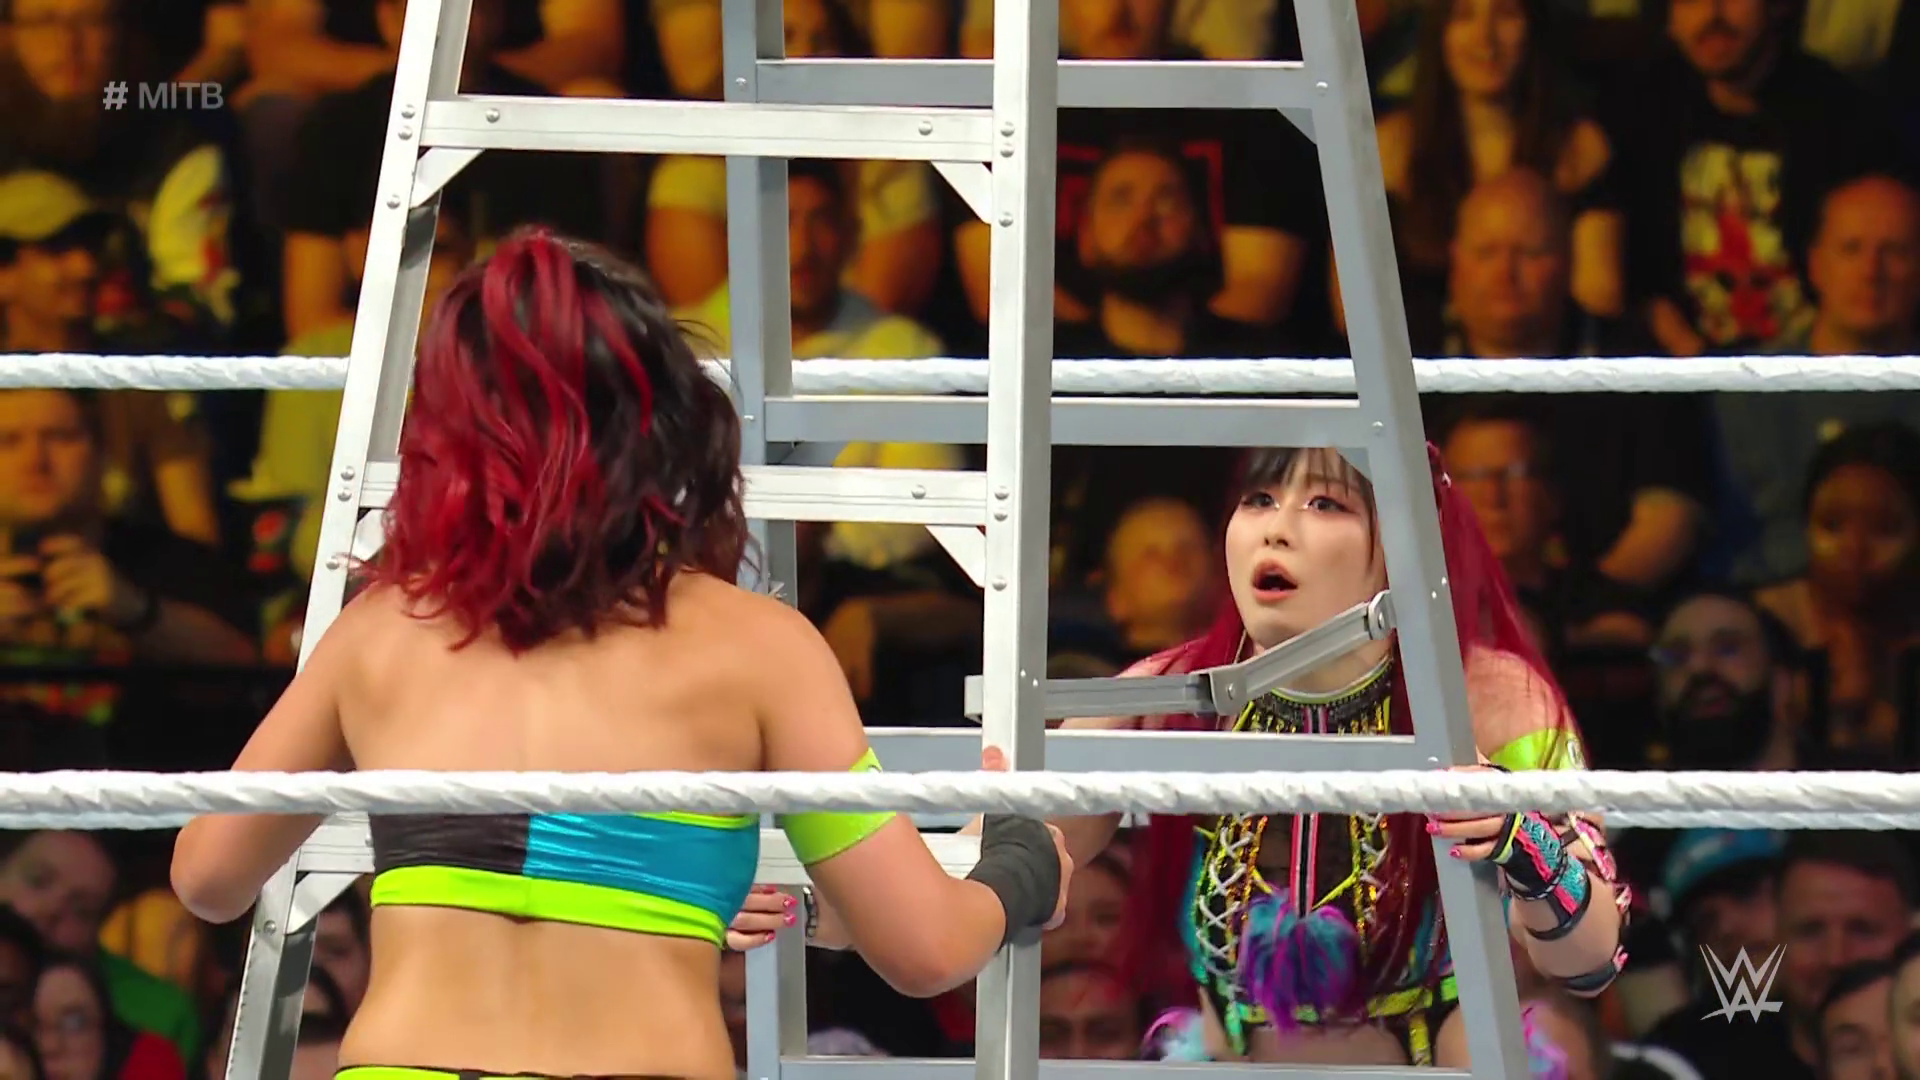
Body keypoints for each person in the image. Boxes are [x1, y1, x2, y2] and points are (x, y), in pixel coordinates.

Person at [167, 228, 1074, 1080]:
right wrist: (1021, 862)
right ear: (664, 422)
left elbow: (208, 875)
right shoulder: (754, 647)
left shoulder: (381, 633)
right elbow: (925, 947)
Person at [866, 444, 1625, 1068]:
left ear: (1404, 543)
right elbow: (988, 871)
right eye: (1259, 500)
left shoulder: (1488, 699)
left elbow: (1590, 962)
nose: (1277, 531)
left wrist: (1523, 843)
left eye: (1325, 504)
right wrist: (837, 892)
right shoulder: (1170, 694)